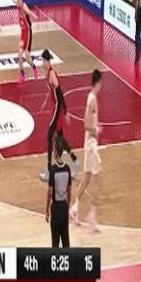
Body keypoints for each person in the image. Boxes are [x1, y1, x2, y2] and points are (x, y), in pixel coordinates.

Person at [39, 49, 80, 182]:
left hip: (58, 108)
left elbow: (60, 92)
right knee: (60, 138)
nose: (42, 63)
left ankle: (48, 170)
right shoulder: (48, 72)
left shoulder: (51, 73)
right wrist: (46, 101)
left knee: (49, 136)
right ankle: (75, 161)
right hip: (56, 107)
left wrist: (65, 111)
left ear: (46, 61)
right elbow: (52, 91)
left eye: (43, 60)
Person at [70, 70, 102, 233]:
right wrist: (96, 129)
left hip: (90, 143)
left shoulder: (91, 98)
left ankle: (75, 208)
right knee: (97, 180)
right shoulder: (92, 99)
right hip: (91, 144)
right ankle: (92, 216)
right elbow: (86, 125)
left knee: (87, 177)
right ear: (98, 82)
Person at [45, 137, 71, 248]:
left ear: (55, 151)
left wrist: (47, 210)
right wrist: (67, 207)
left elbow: (50, 192)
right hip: (64, 207)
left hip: (55, 209)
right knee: (66, 241)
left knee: (55, 243)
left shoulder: (53, 170)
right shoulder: (67, 169)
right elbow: (69, 192)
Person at [15, 0, 39, 83]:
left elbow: (29, 11)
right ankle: (22, 74)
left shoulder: (24, 6)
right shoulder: (18, 5)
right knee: (19, 54)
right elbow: (14, 1)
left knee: (27, 56)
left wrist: (35, 16)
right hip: (23, 34)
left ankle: (34, 68)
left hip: (28, 33)